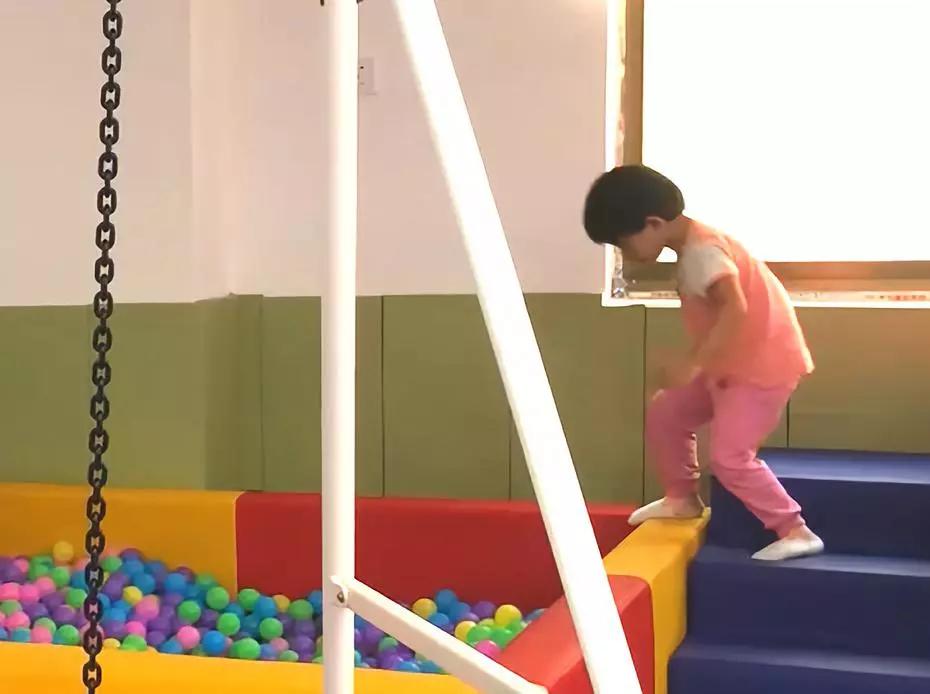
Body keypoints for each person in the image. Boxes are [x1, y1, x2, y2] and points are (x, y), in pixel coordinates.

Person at [583, 165, 824, 561]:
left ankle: (795, 530)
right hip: (728, 365)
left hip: (761, 368)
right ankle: (682, 498)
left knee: (730, 458)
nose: (626, 254)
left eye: (624, 243)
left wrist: (694, 364)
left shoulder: (702, 253)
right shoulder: (696, 245)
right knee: (667, 413)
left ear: (654, 223)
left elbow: (734, 307)